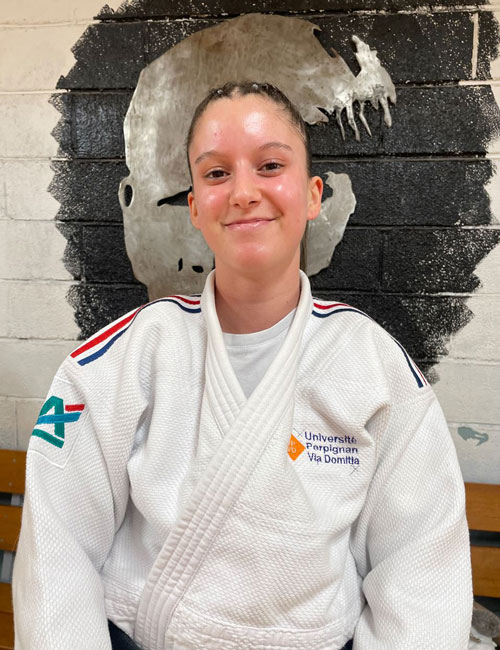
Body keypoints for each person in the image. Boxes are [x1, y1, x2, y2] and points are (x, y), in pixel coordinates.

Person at [13, 81, 472, 650]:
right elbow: (58, 551)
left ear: (313, 195)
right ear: (195, 207)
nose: (243, 192)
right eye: (216, 173)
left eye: (270, 165)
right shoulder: (123, 358)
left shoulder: (375, 367)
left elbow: (422, 570)